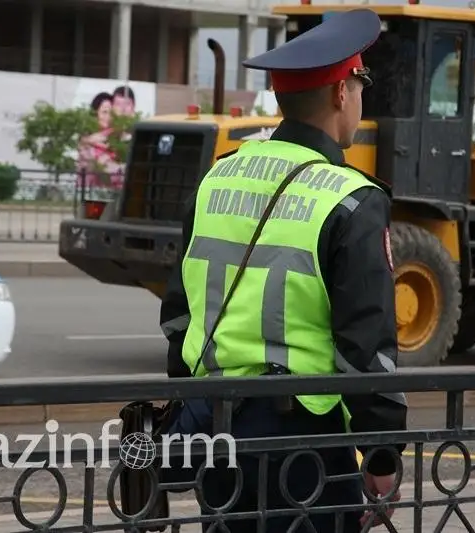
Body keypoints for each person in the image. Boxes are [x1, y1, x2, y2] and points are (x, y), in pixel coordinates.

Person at [158, 9, 407, 533]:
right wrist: (381, 456)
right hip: (306, 444)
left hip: (218, 430)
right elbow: (365, 347)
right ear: (342, 92)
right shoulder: (352, 199)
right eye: (362, 84)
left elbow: (179, 318)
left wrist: (194, 403)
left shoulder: (217, 179)